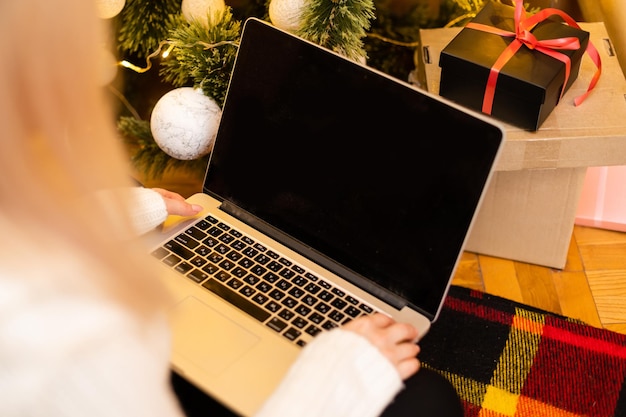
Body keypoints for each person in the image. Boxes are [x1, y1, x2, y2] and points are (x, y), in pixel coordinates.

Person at [0, 0, 463, 416]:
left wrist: (109, 214)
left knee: (141, 195)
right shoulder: (55, 340)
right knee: (430, 401)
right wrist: (334, 379)